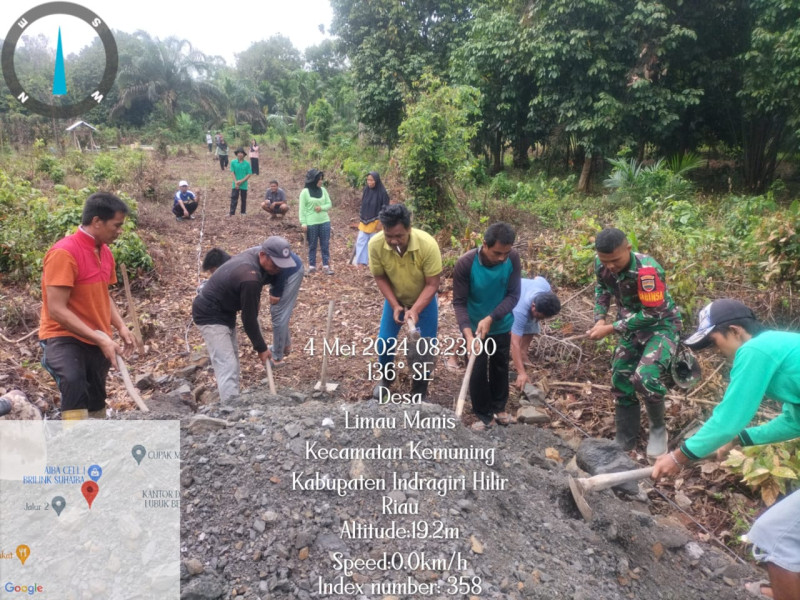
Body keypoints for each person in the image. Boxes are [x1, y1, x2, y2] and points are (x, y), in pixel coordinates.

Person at [652, 299, 800, 600]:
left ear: (735, 330)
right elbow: (793, 421)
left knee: (773, 534)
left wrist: (679, 457)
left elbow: (728, 417)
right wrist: (740, 439)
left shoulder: (756, 349)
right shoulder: (784, 347)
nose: (718, 353)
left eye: (715, 342)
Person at [38, 192, 135, 420]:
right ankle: (74, 447)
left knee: (96, 395)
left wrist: (120, 326)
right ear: (97, 221)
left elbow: (103, 294)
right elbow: (57, 309)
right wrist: (100, 338)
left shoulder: (105, 252)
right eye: (116, 225)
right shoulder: (64, 253)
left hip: (97, 335)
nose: (119, 231)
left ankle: (95, 447)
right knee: (74, 381)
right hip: (63, 336)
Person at [586, 227, 681, 458]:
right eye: (604, 260)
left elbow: (652, 314)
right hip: (630, 327)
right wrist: (600, 318)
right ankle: (626, 435)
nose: (610, 266)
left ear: (628, 248)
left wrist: (610, 328)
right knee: (619, 375)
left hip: (661, 327)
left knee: (645, 377)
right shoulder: (602, 264)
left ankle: (658, 429)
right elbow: (602, 288)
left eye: (615, 260)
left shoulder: (647, 271)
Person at [192, 237, 301, 400]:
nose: (279, 269)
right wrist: (262, 348)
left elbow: (249, 310)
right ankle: (230, 410)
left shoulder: (256, 256)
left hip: (225, 310)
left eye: (282, 264)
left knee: (232, 359)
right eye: (275, 264)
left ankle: (233, 400)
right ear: (263, 255)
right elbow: (248, 319)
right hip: (210, 314)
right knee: (226, 365)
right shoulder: (250, 277)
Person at [368, 204, 441, 400]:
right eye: (388, 235)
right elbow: (380, 277)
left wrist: (416, 309)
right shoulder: (375, 245)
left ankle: (419, 389)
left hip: (424, 302)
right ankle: (386, 378)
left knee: (423, 347)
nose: (393, 241)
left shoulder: (427, 245)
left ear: (409, 229)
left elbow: (433, 283)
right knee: (384, 342)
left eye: (399, 236)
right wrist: (395, 305)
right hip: (396, 299)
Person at [453, 222, 521, 430]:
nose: (502, 258)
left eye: (505, 253)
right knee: (478, 369)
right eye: (497, 253)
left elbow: (513, 295)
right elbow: (459, 303)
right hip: (474, 327)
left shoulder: (513, 258)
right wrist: (468, 336)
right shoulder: (465, 264)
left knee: (500, 365)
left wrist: (492, 317)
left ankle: (499, 407)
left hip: (500, 324)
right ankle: (483, 414)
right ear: (484, 244)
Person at [510, 277, 561, 390]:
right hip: (507, 295)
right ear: (533, 306)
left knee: (533, 323)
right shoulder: (520, 311)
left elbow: (538, 278)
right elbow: (514, 343)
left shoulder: (544, 287)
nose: (541, 319)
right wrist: (521, 373)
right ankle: (516, 361)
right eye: (540, 316)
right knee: (511, 330)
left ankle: (523, 354)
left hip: (524, 289)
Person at [299, 168, 333, 274]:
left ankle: (326, 266)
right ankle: (312, 266)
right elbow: (302, 209)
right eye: (319, 179)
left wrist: (322, 208)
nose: (321, 181)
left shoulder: (323, 190)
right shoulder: (305, 192)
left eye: (322, 179)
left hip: (324, 221)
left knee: (325, 244)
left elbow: (329, 204)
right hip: (311, 222)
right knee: (312, 245)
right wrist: (303, 222)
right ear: (313, 180)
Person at [353, 171, 390, 266]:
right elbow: (363, 204)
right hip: (364, 220)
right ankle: (361, 262)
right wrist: (361, 217)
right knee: (361, 241)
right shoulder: (366, 190)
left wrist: (381, 222)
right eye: (368, 180)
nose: (369, 182)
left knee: (374, 243)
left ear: (376, 181)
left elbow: (385, 208)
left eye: (371, 180)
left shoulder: (382, 192)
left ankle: (375, 264)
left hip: (376, 221)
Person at [229, 148, 252, 216]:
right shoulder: (233, 162)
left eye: (241, 153)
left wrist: (241, 181)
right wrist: (236, 182)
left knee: (243, 199)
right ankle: (232, 212)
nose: (240, 154)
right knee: (234, 198)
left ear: (244, 154)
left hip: (244, 184)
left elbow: (249, 174)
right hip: (235, 184)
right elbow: (232, 172)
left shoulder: (247, 164)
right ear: (236, 154)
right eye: (238, 153)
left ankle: (243, 212)